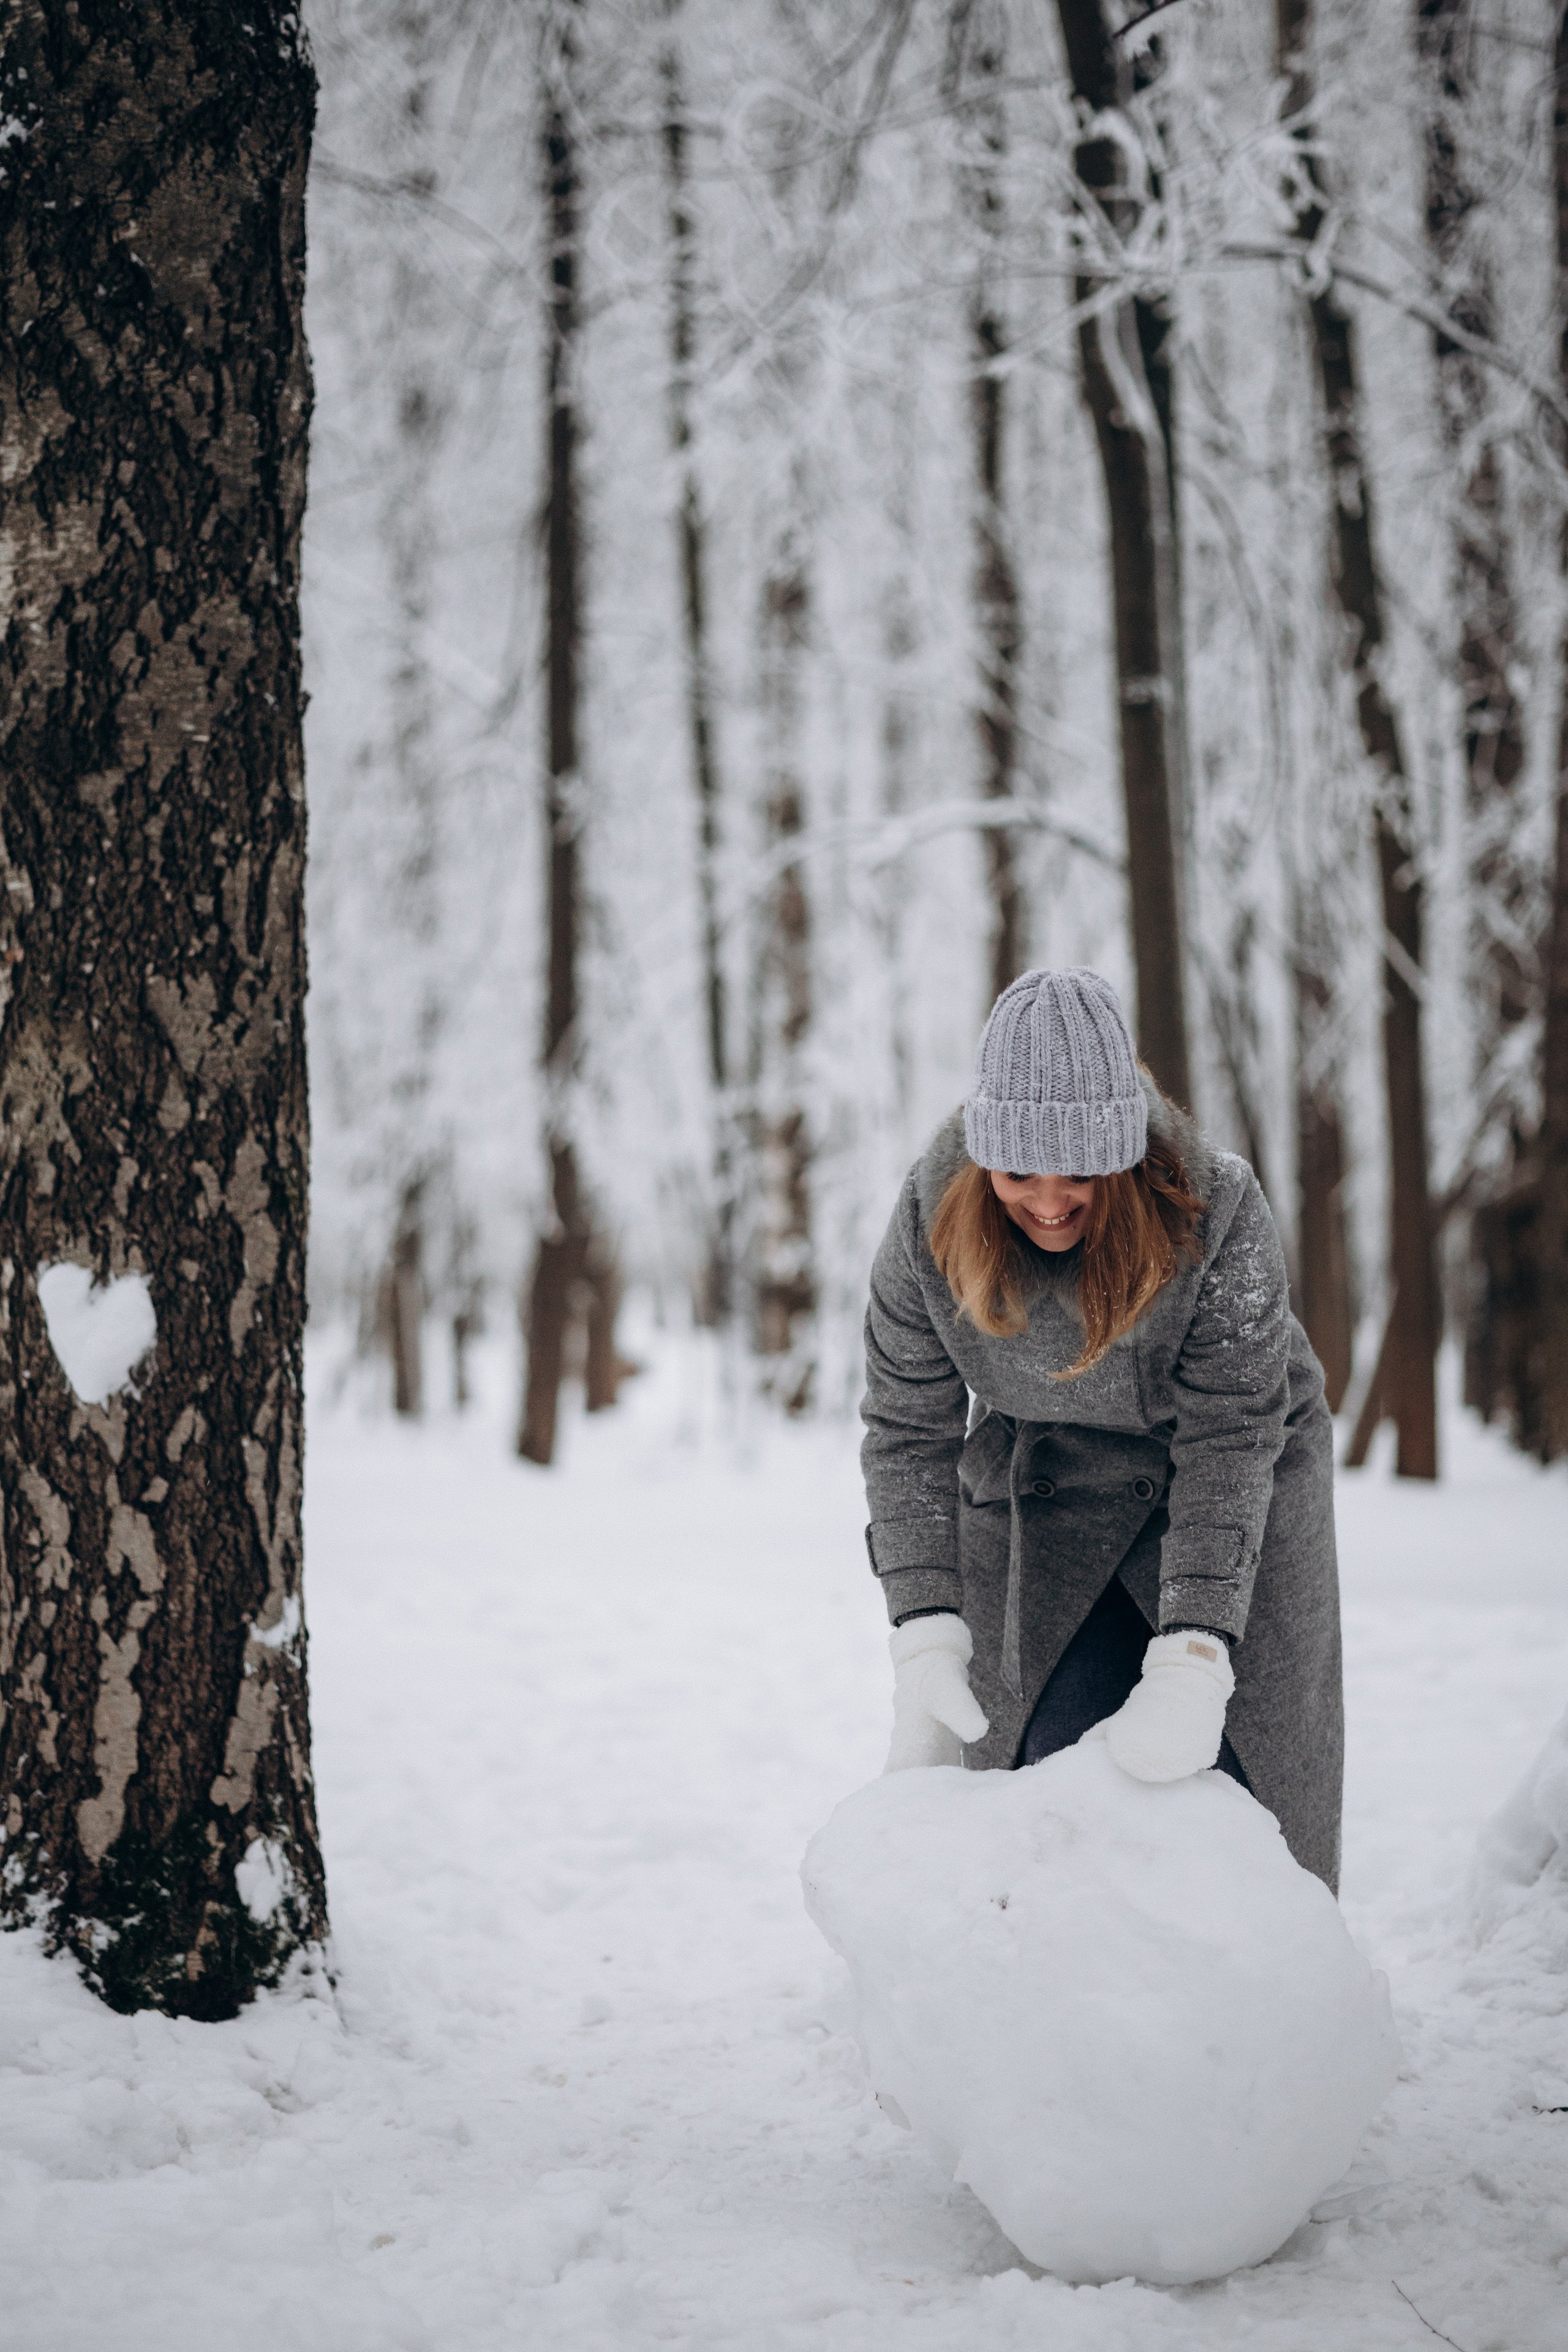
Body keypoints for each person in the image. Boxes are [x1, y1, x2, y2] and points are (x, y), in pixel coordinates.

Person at [860, 966, 1343, 1889]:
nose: (1048, 1201)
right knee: (1050, 1774)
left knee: (1236, 1807)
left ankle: (1254, 2015)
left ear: (1125, 1156)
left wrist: (1197, 1653)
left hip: (1235, 1479)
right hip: (1049, 1491)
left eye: (1081, 1171)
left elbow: (1233, 1436)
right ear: (978, 1158)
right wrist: (925, 1633)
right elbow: (904, 1431)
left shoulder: (1217, 1211)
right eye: (1017, 1173)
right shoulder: (927, 1223)